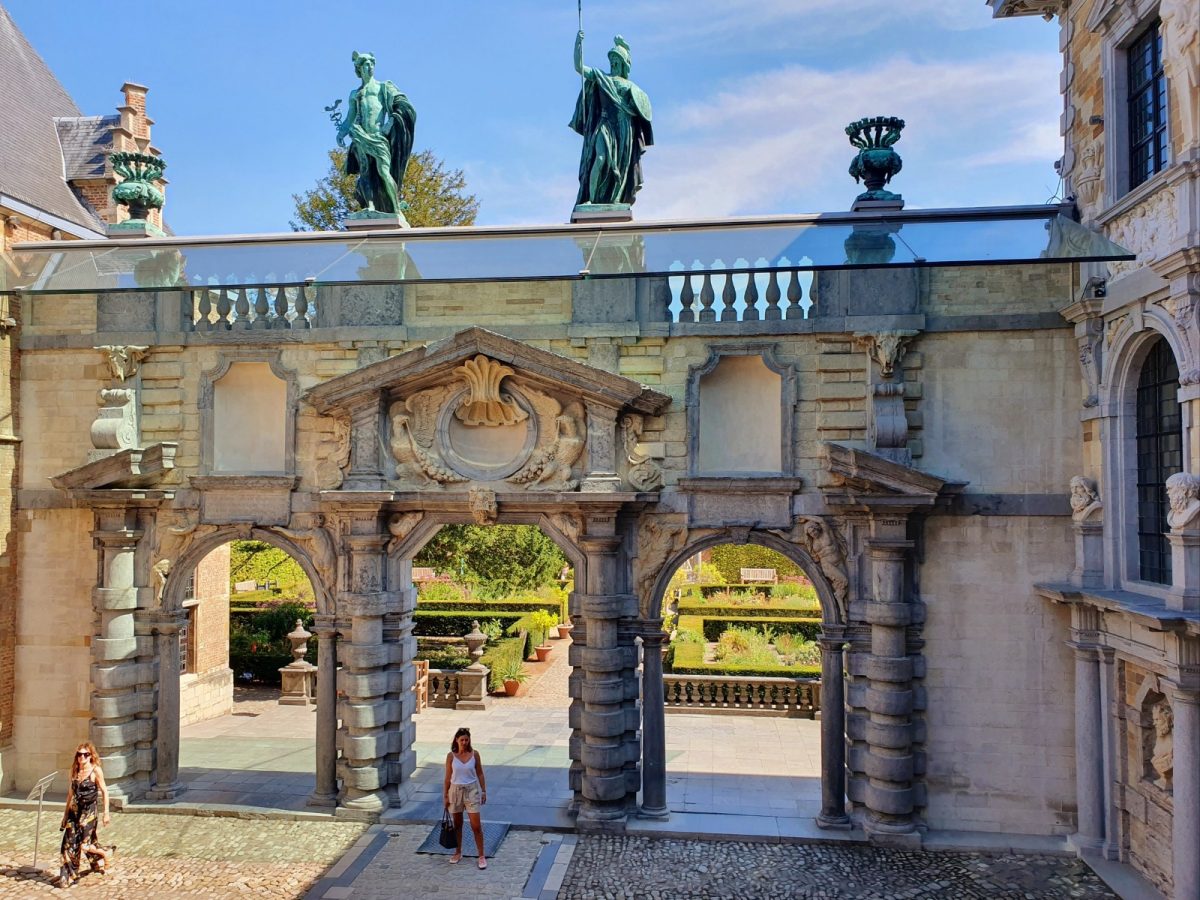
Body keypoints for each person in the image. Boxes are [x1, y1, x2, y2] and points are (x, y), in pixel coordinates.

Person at [570, 31, 653, 209]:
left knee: (622, 166)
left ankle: (616, 200)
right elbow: (579, 67)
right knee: (600, 159)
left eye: (617, 60)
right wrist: (578, 44)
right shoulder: (602, 78)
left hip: (624, 128)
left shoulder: (632, 87)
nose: (613, 62)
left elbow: (641, 110)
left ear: (624, 64)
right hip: (605, 125)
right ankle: (592, 199)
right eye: (612, 59)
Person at [336, 51, 417, 215]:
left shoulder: (383, 87)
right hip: (359, 136)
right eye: (366, 64)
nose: (370, 67)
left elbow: (403, 106)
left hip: (379, 137)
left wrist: (391, 122)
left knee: (384, 172)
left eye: (372, 64)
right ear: (359, 69)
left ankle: (394, 208)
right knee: (365, 173)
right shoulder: (355, 94)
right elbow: (349, 119)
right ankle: (370, 207)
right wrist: (341, 133)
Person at [58, 742, 113, 887]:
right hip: (74, 812)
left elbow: (104, 791)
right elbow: (70, 794)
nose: (82, 757)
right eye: (79, 754)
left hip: (89, 812)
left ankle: (105, 853)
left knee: (85, 845)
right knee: (68, 844)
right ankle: (68, 876)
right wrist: (65, 815)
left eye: (85, 754)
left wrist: (106, 813)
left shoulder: (95, 771)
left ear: (90, 756)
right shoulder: (75, 771)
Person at [443, 726, 488, 869]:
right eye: (462, 740)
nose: (464, 742)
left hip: (471, 790)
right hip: (455, 791)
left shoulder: (475, 754)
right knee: (457, 825)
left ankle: (481, 855)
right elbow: (447, 777)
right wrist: (445, 795)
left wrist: (483, 790)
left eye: (466, 740)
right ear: (456, 740)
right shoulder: (451, 756)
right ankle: (458, 852)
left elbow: (480, 773)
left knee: (476, 826)